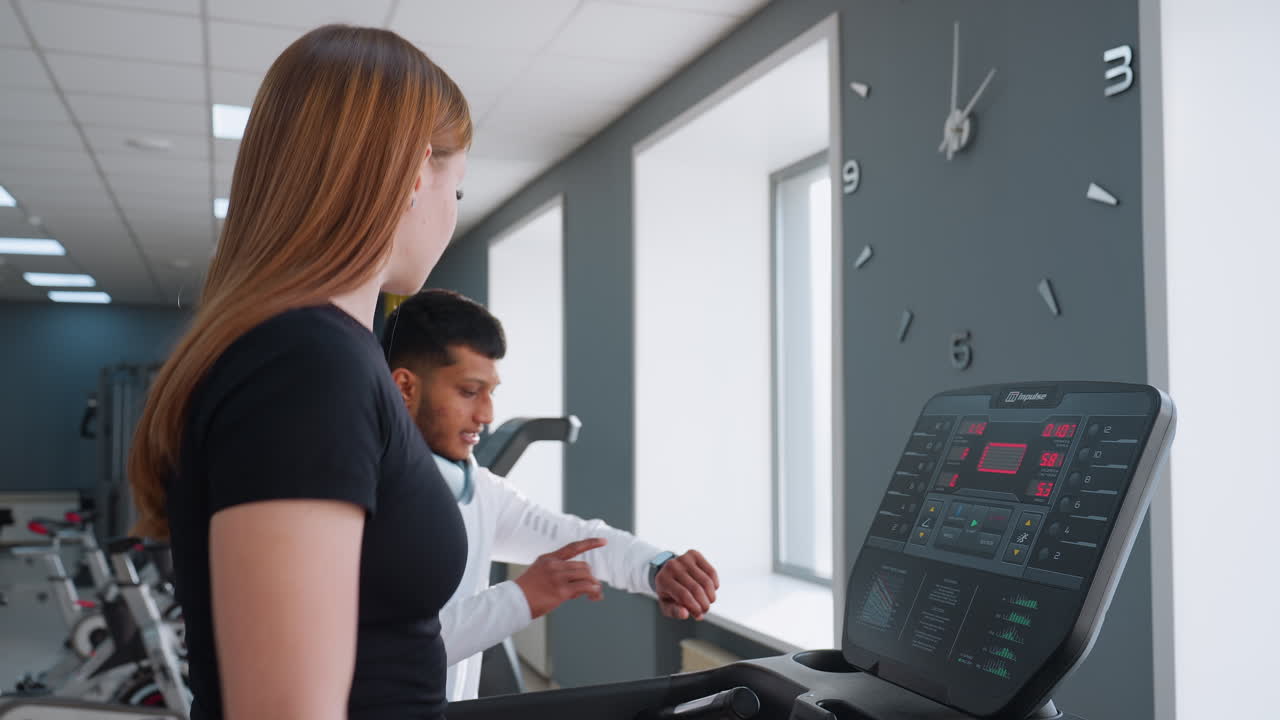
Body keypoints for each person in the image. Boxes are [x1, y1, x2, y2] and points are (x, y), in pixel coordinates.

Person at [127, 26, 472, 720]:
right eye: (456, 191)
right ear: (413, 170)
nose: (452, 218)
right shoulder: (310, 367)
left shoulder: (317, 354)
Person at [382, 289, 722, 701]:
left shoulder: (477, 488)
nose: (487, 415)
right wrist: (522, 597)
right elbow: (390, 652)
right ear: (405, 387)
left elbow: (577, 539)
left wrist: (657, 568)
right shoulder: (366, 499)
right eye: (469, 392)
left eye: (491, 392)